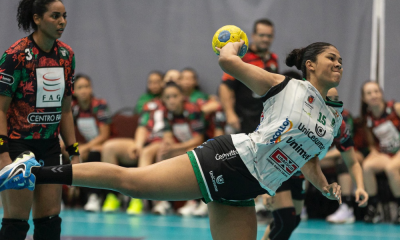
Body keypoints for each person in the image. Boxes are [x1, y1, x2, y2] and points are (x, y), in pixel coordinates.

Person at [1, 40, 345, 240]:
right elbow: (228, 61)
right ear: (310, 65)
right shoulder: (285, 86)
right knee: (131, 182)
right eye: (332, 58)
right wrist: (233, 45)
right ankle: (34, 172)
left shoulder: (331, 119)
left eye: (341, 61)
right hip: (231, 159)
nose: (338, 64)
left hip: (247, 190)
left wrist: (325, 185)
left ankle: (36, 172)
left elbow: (308, 159)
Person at [0, 0, 79, 239]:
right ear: (36, 19)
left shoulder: (66, 55)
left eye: (64, 16)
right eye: (55, 16)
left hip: (50, 146)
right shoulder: (15, 55)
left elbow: (65, 110)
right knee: (16, 221)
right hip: (17, 145)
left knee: (50, 221)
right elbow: (0, 109)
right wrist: (3, 154)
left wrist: (74, 152)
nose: (62, 22)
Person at [261, 88, 368, 240]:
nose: (333, 105)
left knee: (292, 221)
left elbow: (352, 162)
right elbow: (269, 147)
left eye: (336, 99)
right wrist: (266, 188)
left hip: (299, 174)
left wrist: (361, 187)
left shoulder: (340, 126)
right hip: (279, 169)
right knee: (284, 220)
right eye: (327, 100)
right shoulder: (299, 117)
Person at [219, 18, 278, 135]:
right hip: (243, 116)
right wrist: (230, 114)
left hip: (263, 118)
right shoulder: (242, 57)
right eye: (262, 35)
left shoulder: (273, 58)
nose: (266, 39)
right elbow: (225, 87)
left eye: (269, 36)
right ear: (253, 36)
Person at [70, 74, 112, 212]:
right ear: (74, 91)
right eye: (80, 87)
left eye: (87, 86)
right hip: (87, 144)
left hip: (105, 144)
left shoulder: (99, 105)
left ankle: (94, 196)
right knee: (65, 151)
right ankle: (66, 195)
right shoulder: (73, 108)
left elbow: (105, 135)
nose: (84, 90)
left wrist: (85, 147)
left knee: (93, 151)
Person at [360, 81, 400, 224]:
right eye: (369, 93)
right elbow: (372, 144)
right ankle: (374, 208)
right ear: (364, 98)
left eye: (376, 91)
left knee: (391, 168)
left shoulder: (395, 108)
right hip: (385, 153)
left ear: (381, 94)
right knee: (367, 166)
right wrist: (374, 153)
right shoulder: (369, 119)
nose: (373, 95)